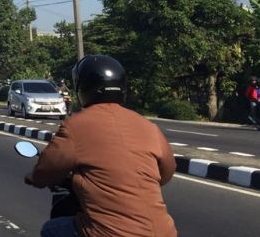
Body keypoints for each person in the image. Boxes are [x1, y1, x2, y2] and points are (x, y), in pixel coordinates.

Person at [25, 55, 177, 237]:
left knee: (51, 229)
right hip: (163, 232)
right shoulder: (148, 126)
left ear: (83, 88)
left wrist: (34, 178)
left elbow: (49, 167)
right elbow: (167, 171)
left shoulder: (77, 125)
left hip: (108, 233)